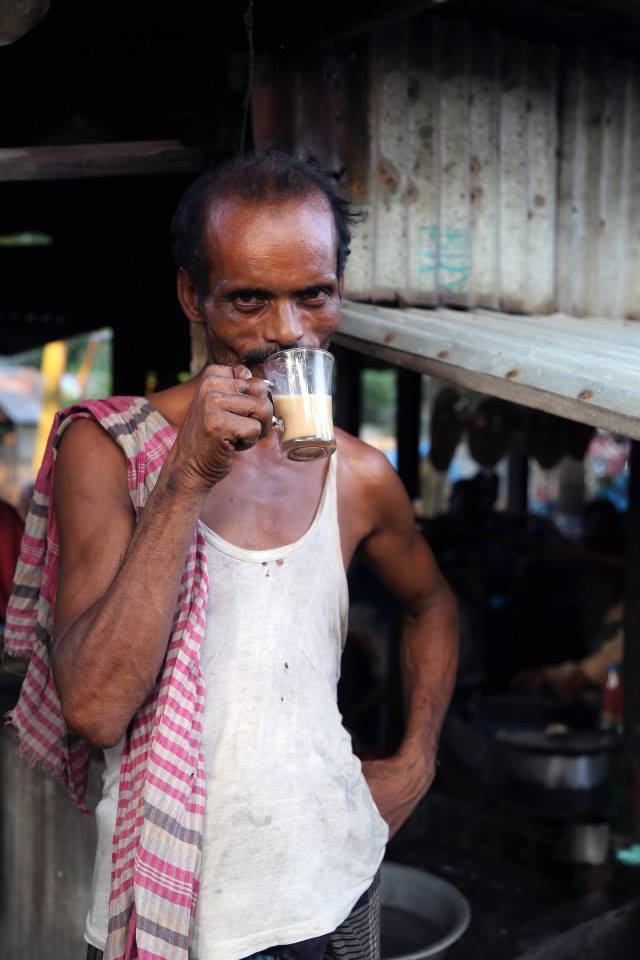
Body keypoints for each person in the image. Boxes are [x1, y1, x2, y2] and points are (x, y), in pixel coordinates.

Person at [6, 153, 459, 960]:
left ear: (336, 294)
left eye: (312, 296)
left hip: (337, 889)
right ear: (194, 296)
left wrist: (417, 758)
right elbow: (97, 706)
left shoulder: (358, 475)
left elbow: (431, 605)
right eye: (250, 298)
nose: (286, 330)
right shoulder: (111, 451)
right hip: (171, 910)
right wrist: (187, 477)